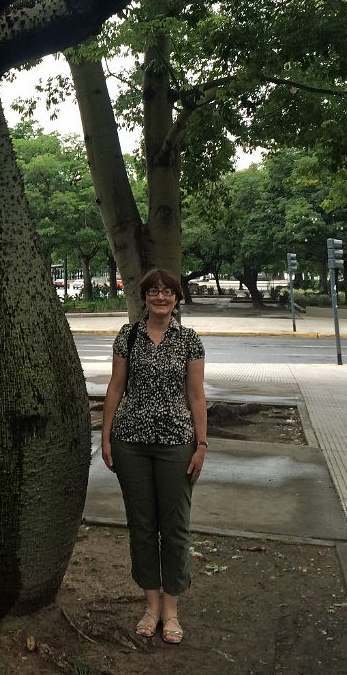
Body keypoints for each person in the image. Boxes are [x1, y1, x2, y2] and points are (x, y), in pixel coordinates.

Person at [101, 267, 207, 645]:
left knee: (175, 529)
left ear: (177, 298)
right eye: (154, 292)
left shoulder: (189, 340)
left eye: (167, 292)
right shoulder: (128, 337)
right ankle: (150, 606)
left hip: (177, 443)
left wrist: (202, 444)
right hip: (131, 442)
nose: (160, 297)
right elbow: (115, 387)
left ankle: (172, 610)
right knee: (142, 526)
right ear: (144, 298)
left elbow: (196, 396)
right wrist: (106, 435)